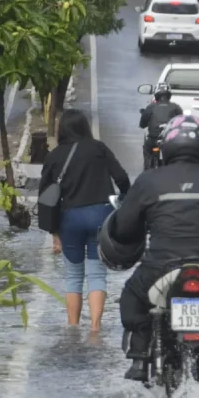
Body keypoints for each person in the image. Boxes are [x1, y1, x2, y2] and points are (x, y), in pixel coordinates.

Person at [103, 113, 199, 381]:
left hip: (158, 270)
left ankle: (139, 355)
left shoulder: (148, 181)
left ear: (166, 148)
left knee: (130, 296)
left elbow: (124, 229)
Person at [39, 109, 131, 332]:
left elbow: (46, 195)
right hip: (101, 215)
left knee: (73, 275)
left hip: (70, 218)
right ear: (84, 127)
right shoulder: (98, 148)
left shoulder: (55, 155)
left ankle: (72, 327)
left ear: (62, 130)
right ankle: (96, 328)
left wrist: (54, 232)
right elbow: (122, 178)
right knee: (97, 274)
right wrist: (124, 203)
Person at [138, 83, 184, 170]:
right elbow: (181, 123)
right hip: (170, 141)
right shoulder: (176, 107)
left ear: (156, 94)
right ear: (169, 95)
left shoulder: (151, 107)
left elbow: (142, 124)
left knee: (147, 150)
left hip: (153, 139)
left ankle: (147, 171)